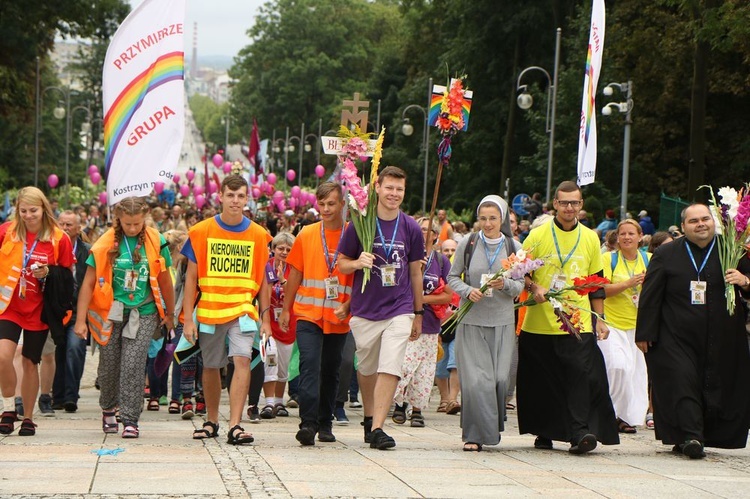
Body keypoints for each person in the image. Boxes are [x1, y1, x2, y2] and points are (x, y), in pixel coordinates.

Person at [635, 203, 750, 459]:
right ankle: (692, 436)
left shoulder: (732, 249)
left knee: (713, 385)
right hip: (675, 336)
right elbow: (651, 295)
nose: (701, 224)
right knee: (681, 381)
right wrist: (645, 332)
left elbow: (748, 283)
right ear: (683, 227)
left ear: (713, 222)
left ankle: (694, 435)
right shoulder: (667, 254)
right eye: (694, 221)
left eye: (705, 219)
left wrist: (745, 281)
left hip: (723, 335)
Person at [518, 180, 619, 454]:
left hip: (577, 323)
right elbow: (519, 269)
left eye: (574, 202)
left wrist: (601, 318)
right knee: (542, 382)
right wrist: (533, 286)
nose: (569, 207)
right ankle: (544, 432)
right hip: (539, 324)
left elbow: (596, 282)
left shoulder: (590, 237)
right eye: (564, 202)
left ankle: (579, 433)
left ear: (581, 204)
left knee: (581, 378)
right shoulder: (538, 234)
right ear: (555, 204)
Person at [338, 166, 425, 450]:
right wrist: (357, 263)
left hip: (399, 307)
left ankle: (378, 428)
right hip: (365, 309)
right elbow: (341, 263)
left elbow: (415, 273)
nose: (394, 194)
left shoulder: (410, 227)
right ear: (377, 187)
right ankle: (368, 416)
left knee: (391, 364)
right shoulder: (359, 222)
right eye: (389, 188)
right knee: (366, 368)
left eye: (399, 189)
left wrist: (419, 312)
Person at [181, 175, 272, 445]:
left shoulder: (258, 235)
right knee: (211, 366)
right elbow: (190, 278)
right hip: (209, 310)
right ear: (220, 196)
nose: (235, 201)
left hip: (243, 309)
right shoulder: (200, 232)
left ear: (247, 199)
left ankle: (236, 424)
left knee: (242, 359)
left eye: (241, 196)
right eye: (230, 195)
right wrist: (187, 319)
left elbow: (264, 280)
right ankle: (211, 420)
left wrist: (266, 319)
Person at [74, 197, 175, 439]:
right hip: (111, 311)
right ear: (118, 218)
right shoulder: (104, 243)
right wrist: (80, 320)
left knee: (133, 364)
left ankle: (130, 418)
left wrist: (170, 314)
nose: (132, 228)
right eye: (127, 224)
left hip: (145, 311)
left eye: (137, 224)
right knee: (109, 366)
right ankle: (108, 408)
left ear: (145, 218)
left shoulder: (156, 240)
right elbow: (88, 283)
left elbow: (164, 280)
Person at [447, 195, 523, 451]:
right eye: (483, 218)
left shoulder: (514, 247)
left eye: (493, 218)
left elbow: (520, 286)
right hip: (471, 321)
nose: (488, 224)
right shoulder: (467, 243)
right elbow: (451, 277)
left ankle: (492, 423)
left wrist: (506, 284)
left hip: (501, 323)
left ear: (502, 219)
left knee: (500, 380)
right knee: (477, 382)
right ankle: (474, 435)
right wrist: (468, 291)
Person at [279, 182, 353, 445]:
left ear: (342, 205)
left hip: (338, 316)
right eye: (321, 204)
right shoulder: (307, 234)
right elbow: (295, 273)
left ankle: (326, 422)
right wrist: (286, 309)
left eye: (331, 203)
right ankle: (307, 423)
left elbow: (358, 276)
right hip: (308, 313)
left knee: (331, 369)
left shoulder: (352, 235)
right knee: (309, 366)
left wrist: (350, 305)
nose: (325, 209)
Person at [0, 187, 74, 436]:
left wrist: (49, 273)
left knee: (31, 362)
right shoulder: (6, 233)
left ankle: (29, 417)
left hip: (39, 309)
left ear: (44, 208)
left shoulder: (58, 238)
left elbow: (66, 275)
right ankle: (9, 408)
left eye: (33, 210)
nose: (29, 216)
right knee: (2, 356)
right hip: (8, 305)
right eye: (23, 211)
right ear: (17, 211)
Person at [392, 217, 453, 429]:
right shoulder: (405, 256)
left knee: (425, 371)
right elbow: (395, 285)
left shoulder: (441, 261)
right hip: (406, 320)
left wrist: (422, 299)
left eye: (428, 230)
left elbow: (449, 295)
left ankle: (417, 409)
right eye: (421, 229)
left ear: (436, 235)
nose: (424, 233)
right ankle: (399, 403)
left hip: (431, 324)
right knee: (406, 365)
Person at [600, 219, 649, 434]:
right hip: (613, 323)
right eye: (623, 234)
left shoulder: (650, 259)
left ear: (640, 237)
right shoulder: (608, 259)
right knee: (618, 367)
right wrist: (628, 284)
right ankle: (610, 413)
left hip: (639, 326)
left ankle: (627, 418)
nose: (627, 237)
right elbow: (602, 289)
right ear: (617, 238)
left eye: (631, 234)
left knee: (636, 374)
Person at [52, 210, 90, 413]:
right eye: (61, 224)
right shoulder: (51, 247)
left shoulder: (88, 252)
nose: (65, 228)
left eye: (69, 225)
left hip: (78, 311)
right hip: (56, 310)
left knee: (75, 349)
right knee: (57, 351)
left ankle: (70, 396)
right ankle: (56, 396)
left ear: (78, 228)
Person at [258, 232, 296, 420]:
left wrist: (282, 280)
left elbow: (295, 294)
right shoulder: (266, 267)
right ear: (273, 249)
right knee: (270, 360)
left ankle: (280, 401)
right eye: (280, 248)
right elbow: (262, 292)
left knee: (283, 367)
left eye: (288, 249)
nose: (284, 252)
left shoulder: (295, 269)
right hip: (269, 322)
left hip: (288, 324)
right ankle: (269, 403)